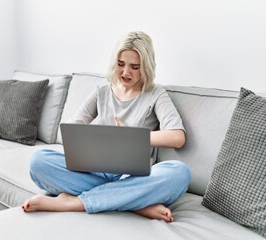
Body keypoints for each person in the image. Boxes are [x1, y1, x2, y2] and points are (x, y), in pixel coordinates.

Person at [22, 31, 191, 223]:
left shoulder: (155, 94)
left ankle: (75, 202)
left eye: (135, 67)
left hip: (135, 175)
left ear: (146, 67)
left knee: (180, 173)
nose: (126, 72)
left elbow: (177, 137)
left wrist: (132, 137)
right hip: (96, 170)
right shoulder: (102, 91)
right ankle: (136, 203)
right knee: (38, 160)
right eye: (121, 64)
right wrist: (81, 136)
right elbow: (73, 127)